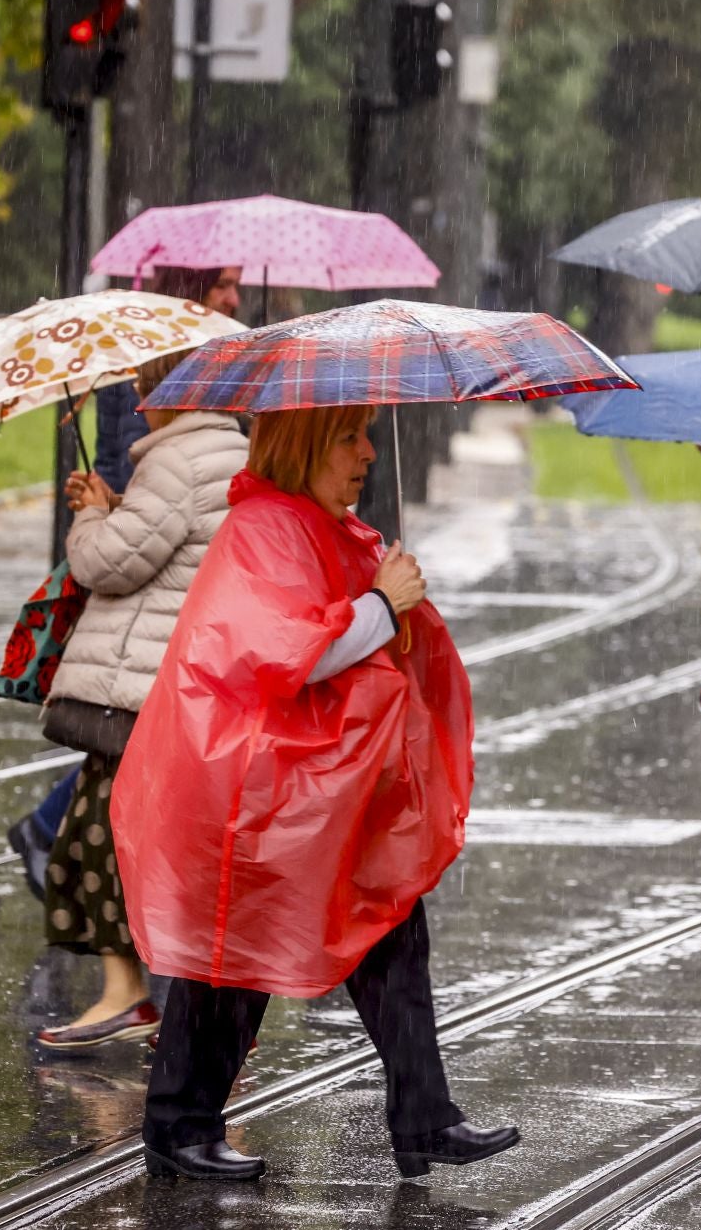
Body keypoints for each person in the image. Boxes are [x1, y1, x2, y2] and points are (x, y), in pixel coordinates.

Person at [110, 404, 519, 1181]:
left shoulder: (313, 523)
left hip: (319, 792)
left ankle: (422, 1116)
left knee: (388, 929)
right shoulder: (263, 528)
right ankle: (178, 1123)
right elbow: (297, 652)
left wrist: (384, 599)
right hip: (258, 792)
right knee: (232, 958)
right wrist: (381, 604)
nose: (366, 454)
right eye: (346, 438)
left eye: (366, 435)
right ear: (302, 446)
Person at [33, 353, 249, 1052]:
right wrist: (121, 507)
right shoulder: (228, 451)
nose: (135, 401)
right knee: (171, 848)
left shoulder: (175, 461)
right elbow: (178, 545)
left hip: (142, 690)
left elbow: (109, 564)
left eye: (140, 389)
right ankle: (196, 1011)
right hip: (189, 685)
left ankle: (131, 995)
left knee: (103, 836)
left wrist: (94, 518)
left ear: (160, 395)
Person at [95, 266, 244, 495]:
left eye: (236, 286)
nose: (234, 300)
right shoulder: (136, 355)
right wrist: (102, 503)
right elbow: (114, 459)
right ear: (189, 285)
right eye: (222, 286)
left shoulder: (235, 360)